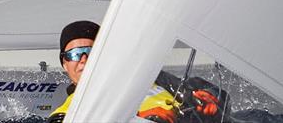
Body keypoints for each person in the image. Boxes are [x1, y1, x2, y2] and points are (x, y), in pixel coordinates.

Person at [48, 21, 227, 123]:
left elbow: (219, 98)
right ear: (65, 63)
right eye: (75, 54)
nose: (84, 60)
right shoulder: (65, 114)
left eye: (92, 52)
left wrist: (210, 98)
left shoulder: (148, 78)